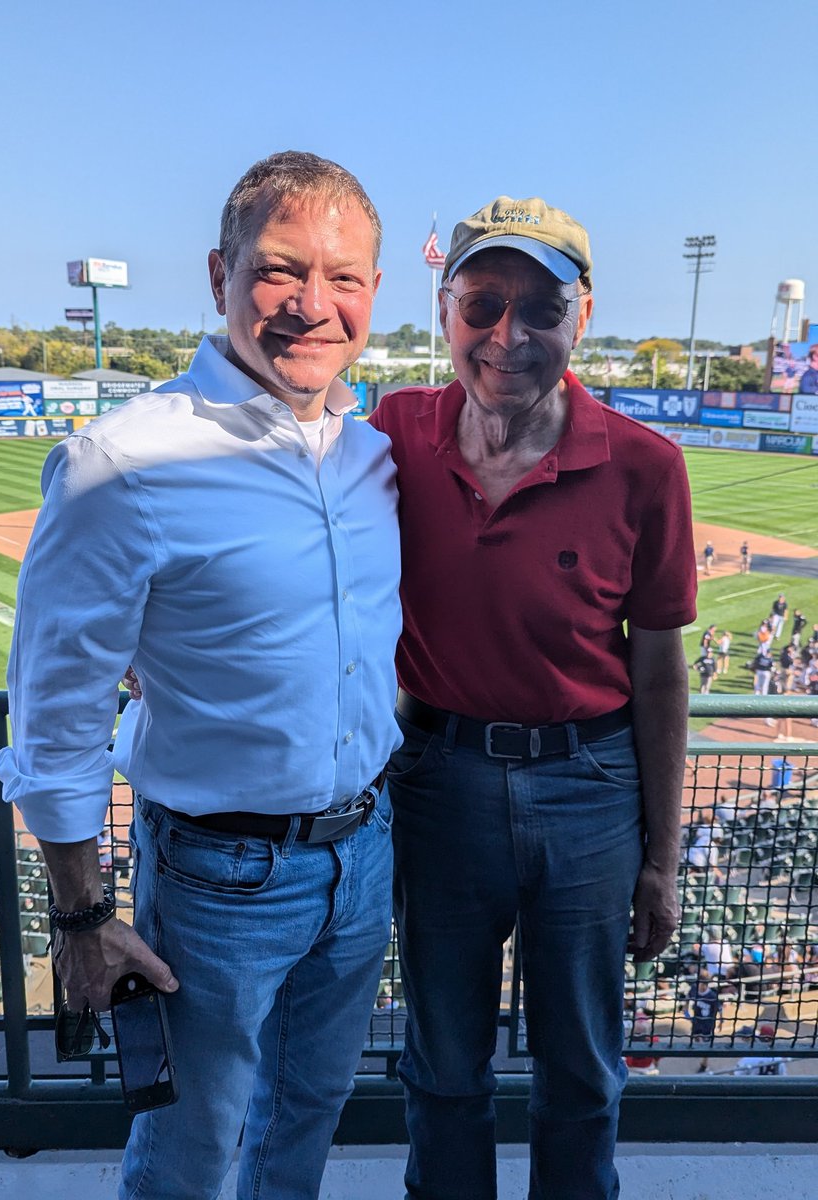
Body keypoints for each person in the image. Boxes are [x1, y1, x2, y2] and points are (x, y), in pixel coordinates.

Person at [0, 151, 403, 1200]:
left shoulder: (368, 455)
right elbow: (55, 715)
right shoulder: (123, 462)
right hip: (220, 882)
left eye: (344, 278)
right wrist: (81, 919)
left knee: (304, 1119)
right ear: (219, 273)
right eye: (280, 271)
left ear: (372, 295)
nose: (313, 306)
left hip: (363, 857)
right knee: (188, 1151)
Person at [370, 195, 696, 1200]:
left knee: (583, 1075)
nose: (506, 336)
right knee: (443, 1071)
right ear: (444, 310)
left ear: (582, 317)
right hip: (440, 781)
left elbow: (658, 672)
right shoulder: (392, 428)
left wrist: (661, 858)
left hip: (591, 790)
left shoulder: (647, 467)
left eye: (539, 308)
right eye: (482, 304)